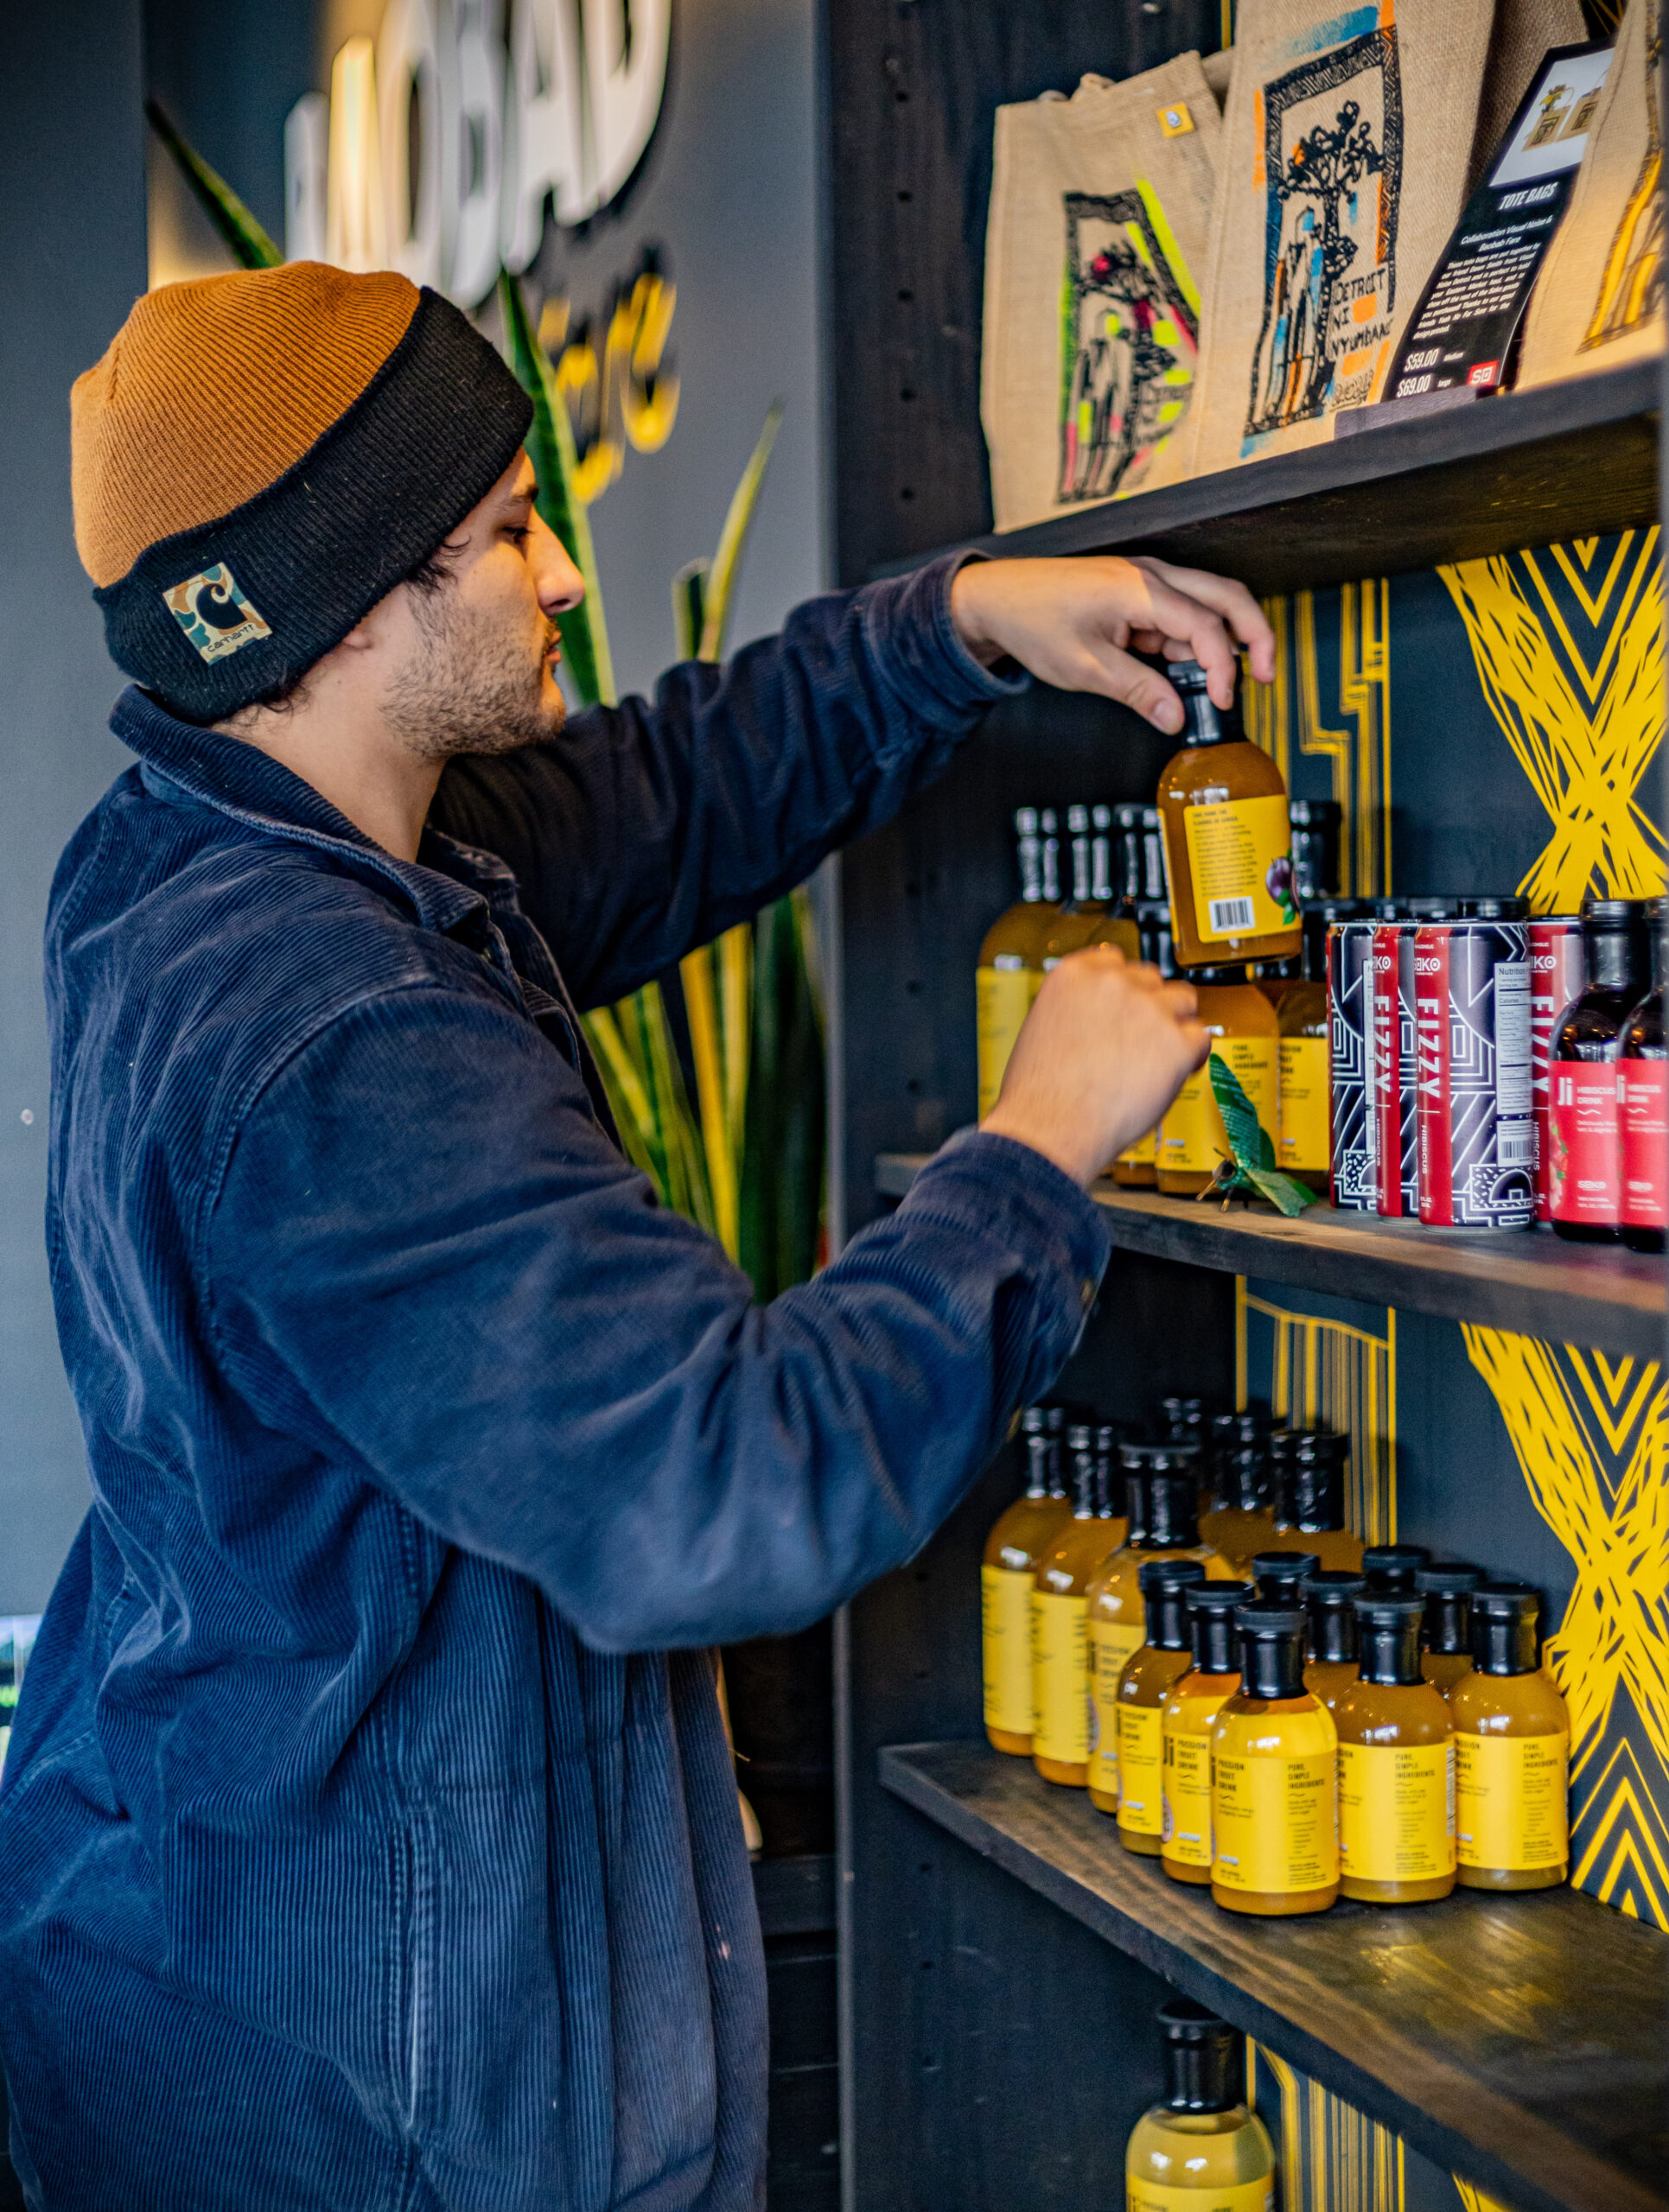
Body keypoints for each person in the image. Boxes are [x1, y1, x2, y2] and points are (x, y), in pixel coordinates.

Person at [0, 262, 1272, 2211]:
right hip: (359, 2079)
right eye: (506, 533)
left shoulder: (225, 841)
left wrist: (956, 626)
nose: (565, 575)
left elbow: (661, 792)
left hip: (192, 1899)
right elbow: (729, 1490)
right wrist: (1037, 1140)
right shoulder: (338, 1040)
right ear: (347, 602)